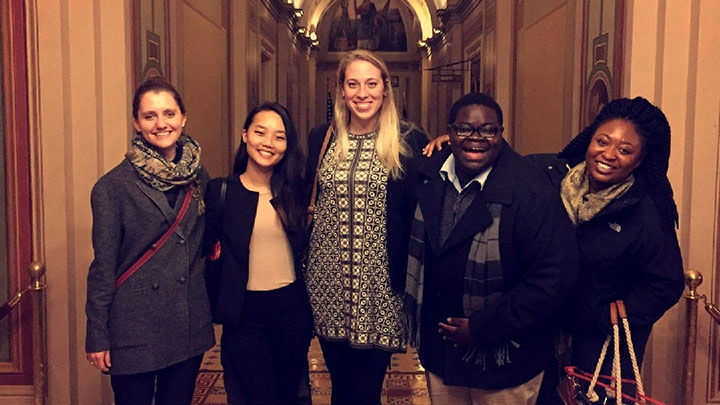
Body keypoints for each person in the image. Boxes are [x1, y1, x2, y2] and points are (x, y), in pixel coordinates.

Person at [404, 92, 578, 404]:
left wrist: (483, 328)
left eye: (488, 130)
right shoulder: (428, 178)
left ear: (500, 133)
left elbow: (554, 279)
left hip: (506, 360)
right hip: (442, 355)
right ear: (449, 132)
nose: (476, 138)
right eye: (464, 129)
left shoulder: (531, 191)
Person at [528, 97, 684, 403]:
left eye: (625, 150)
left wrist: (603, 319)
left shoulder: (647, 212)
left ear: (639, 160)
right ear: (590, 139)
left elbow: (666, 283)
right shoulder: (547, 176)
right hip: (542, 334)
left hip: (602, 348)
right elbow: (496, 164)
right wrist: (455, 142)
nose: (609, 154)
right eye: (603, 141)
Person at [304, 49, 427, 405]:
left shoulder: (409, 141)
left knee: (367, 390)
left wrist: (450, 143)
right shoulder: (321, 139)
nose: (362, 93)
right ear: (340, 90)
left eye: (371, 84)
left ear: (386, 88)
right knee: (341, 387)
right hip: (327, 285)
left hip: (380, 289)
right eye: (353, 84)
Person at [85, 79, 214, 405]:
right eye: (150, 116)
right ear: (136, 123)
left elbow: (208, 241)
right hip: (134, 326)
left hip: (186, 321)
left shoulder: (199, 176)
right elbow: (104, 265)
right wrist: (98, 334)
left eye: (169, 113)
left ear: (183, 117)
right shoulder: (112, 188)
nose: (161, 124)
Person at [203, 102, 313, 405]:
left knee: (289, 396)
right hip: (244, 317)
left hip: (291, 312)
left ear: (287, 144)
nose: (268, 143)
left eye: (279, 136)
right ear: (244, 135)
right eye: (260, 132)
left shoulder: (296, 192)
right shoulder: (220, 192)